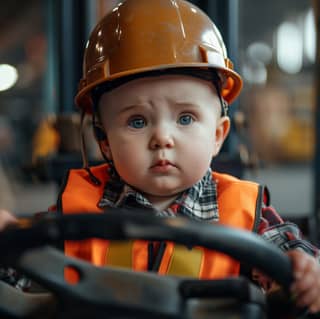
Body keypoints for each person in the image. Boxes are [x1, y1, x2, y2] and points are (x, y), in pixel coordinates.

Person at [1, 0, 320, 314]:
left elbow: (292, 251)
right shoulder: (75, 212)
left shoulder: (247, 213)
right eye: (137, 121)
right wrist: (10, 240)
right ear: (106, 141)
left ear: (218, 135)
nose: (162, 139)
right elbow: (22, 270)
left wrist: (305, 269)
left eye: (185, 118)